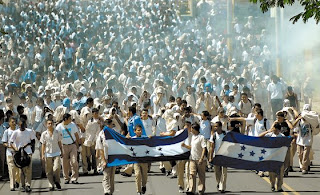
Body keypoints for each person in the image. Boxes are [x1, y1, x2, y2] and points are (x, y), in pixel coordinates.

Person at [9, 115, 36, 192]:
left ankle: (28, 185)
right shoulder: (15, 132)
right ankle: (23, 185)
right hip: (19, 154)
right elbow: (10, 142)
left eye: (23, 125)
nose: (21, 127)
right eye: (20, 125)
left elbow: (33, 141)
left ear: (25, 124)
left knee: (28, 170)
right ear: (18, 125)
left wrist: (30, 147)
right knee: (21, 171)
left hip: (28, 153)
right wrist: (15, 149)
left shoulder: (30, 131)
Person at [259, 122, 285, 192]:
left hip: (279, 158)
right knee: (272, 174)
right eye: (274, 129)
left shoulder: (282, 137)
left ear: (279, 130)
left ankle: (279, 187)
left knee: (280, 174)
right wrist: (267, 131)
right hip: (271, 158)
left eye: (276, 130)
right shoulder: (270, 135)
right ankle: (272, 185)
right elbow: (259, 136)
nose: (274, 131)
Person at [56, 113, 81, 184]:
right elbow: (57, 138)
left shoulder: (72, 125)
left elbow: (76, 135)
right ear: (66, 119)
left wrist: (78, 144)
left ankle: (74, 178)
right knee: (64, 163)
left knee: (74, 161)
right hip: (63, 146)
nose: (71, 120)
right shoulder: (59, 127)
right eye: (70, 118)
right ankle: (66, 178)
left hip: (72, 145)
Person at [182, 123, 206, 195]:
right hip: (192, 158)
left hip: (200, 159)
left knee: (201, 175)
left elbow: (204, 148)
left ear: (195, 129)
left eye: (192, 129)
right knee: (192, 174)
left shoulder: (201, 137)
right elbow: (192, 147)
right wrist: (185, 146)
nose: (191, 130)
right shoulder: (192, 137)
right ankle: (191, 189)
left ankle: (201, 189)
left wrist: (201, 158)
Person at [40, 119, 63, 191]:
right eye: (48, 123)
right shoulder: (44, 134)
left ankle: (57, 181)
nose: (50, 125)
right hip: (48, 153)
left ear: (53, 124)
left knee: (56, 168)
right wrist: (42, 154)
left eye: (51, 123)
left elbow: (59, 142)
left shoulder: (57, 132)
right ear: (46, 125)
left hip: (56, 152)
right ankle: (51, 184)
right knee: (49, 170)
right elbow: (43, 145)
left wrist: (62, 151)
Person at [96, 119, 116, 195]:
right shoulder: (101, 135)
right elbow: (100, 149)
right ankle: (106, 191)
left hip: (113, 158)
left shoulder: (114, 133)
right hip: (105, 157)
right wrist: (103, 160)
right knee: (106, 175)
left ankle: (111, 191)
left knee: (112, 176)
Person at [2, 117, 20, 191]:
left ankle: (17, 181)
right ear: (9, 123)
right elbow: (4, 142)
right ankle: (12, 185)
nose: (14, 123)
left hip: (18, 152)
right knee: (11, 169)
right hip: (9, 152)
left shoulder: (18, 130)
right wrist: (9, 146)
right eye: (12, 122)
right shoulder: (6, 131)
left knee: (18, 169)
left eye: (15, 122)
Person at [209, 121, 227, 193]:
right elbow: (211, 147)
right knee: (217, 172)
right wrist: (210, 157)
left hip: (224, 156)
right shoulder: (213, 136)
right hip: (216, 155)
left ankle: (222, 187)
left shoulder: (226, 134)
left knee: (224, 172)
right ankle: (219, 183)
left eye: (216, 126)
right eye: (214, 126)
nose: (215, 128)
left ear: (220, 127)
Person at [82, 108, 101, 175]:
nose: (96, 114)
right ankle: (88, 166)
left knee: (95, 155)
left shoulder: (100, 120)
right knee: (88, 155)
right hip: (90, 140)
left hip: (97, 140)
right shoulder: (90, 121)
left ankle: (96, 169)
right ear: (92, 114)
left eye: (97, 113)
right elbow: (88, 131)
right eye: (95, 113)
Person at [131, 125, 148, 195]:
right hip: (136, 160)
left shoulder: (145, 138)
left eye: (140, 130)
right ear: (135, 131)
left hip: (144, 160)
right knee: (137, 174)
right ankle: (138, 190)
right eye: (138, 130)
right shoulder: (132, 139)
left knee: (144, 175)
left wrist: (150, 138)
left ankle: (143, 186)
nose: (139, 131)